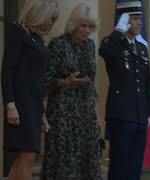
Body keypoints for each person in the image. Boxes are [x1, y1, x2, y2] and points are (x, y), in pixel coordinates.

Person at [40, 3, 101, 180]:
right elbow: (46, 79)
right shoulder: (58, 44)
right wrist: (67, 81)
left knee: (87, 160)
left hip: (85, 112)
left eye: (90, 26)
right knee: (64, 161)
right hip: (63, 113)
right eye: (83, 25)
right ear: (74, 24)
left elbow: (91, 74)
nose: (87, 30)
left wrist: (87, 80)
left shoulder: (90, 45)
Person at [1, 0, 59, 179]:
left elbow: (38, 79)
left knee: (25, 157)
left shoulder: (38, 37)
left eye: (53, 19)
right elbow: (7, 70)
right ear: (38, 13)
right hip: (21, 104)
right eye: (49, 18)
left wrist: (41, 113)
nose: (50, 23)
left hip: (34, 105)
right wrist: (10, 105)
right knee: (27, 155)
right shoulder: (18, 31)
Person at [99, 1, 150, 180]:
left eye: (140, 19)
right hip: (121, 115)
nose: (140, 23)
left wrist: (149, 114)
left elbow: (146, 84)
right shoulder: (112, 43)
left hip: (139, 115)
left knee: (135, 166)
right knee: (119, 165)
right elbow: (105, 52)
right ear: (124, 20)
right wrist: (118, 31)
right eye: (135, 19)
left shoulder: (142, 48)